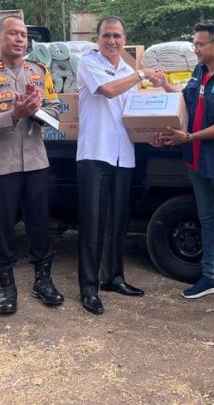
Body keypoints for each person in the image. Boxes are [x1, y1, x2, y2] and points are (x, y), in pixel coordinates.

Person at [0, 16, 64, 315]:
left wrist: (37, 112)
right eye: (13, 34)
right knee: (1, 227)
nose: (20, 39)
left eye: (23, 35)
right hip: (1, 166)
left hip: (35, 161)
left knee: (39, 224)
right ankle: (6, 287)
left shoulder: (39, 71)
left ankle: (42, 280)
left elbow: (54, 108)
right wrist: (13, 114)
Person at [153, 20, 214, 311]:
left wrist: (189, 137)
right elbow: (188, 100)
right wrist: (166, 86)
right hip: (197, 161)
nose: (195, 49)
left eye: (200, 44)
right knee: (207, 220)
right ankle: (211, 277)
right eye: (194, 43)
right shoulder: (199, 72)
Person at [75, 16, 163, 315]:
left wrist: (155, 127)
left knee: (117, 221)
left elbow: (134, 113)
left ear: (125, 39)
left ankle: (113, 276)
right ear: (97, 39)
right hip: (95, 154)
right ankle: (89, 287)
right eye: (106, 36)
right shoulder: (88, 63)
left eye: (117, 36)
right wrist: (141, 75)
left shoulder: (127, 70)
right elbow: (109, 91)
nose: (112, 41)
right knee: (92, 223)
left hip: (123, 155)